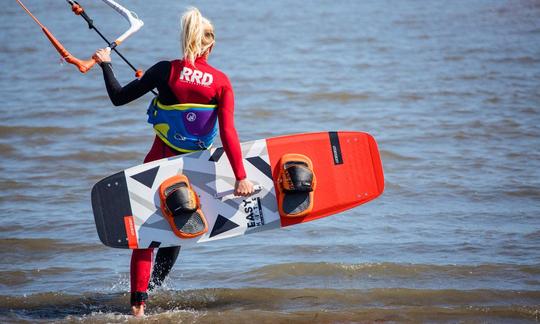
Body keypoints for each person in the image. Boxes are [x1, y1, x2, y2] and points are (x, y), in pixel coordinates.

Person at [93, 7, 254, 317]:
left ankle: (138, 307)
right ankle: (153, 291)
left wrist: (106, 64)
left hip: (156, 164)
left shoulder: (163, 71)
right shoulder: (221, 82)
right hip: (193, 169)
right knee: (177, 225)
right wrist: (241, 177)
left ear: (185, 41)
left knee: (146, 234)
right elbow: (229, 133)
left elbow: (118, 97)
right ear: (211, 45)